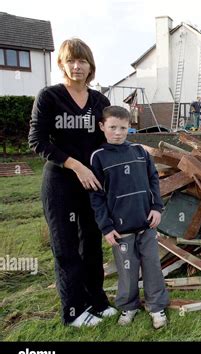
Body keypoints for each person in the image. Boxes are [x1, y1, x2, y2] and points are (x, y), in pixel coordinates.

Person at [28, 38, 115, 327]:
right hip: (61, 182)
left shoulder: (100, 102)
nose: (77, 66)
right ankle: (74, 310)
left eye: (82, 61)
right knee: (65, 247)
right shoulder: (50, 96)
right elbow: (36, 141)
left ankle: (97, 302)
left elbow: (109, 138)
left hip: (92, 182)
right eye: (71, 61)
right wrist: (75, 164)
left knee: (90, 244)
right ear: (62, 64)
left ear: (90, 65)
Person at [89, 106, 169, 329]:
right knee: (127, 268)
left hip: (146, 224)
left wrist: (156, 208)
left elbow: (154, 180)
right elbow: (96, 197)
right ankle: (128, 306)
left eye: (123, 128)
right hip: (120, 229)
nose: (118, 132)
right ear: (102, 127)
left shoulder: (139, 152)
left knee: (152, 265)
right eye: (113, 127)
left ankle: (156, 307)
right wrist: (105, 227)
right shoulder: (98, 157)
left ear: (129, 128)